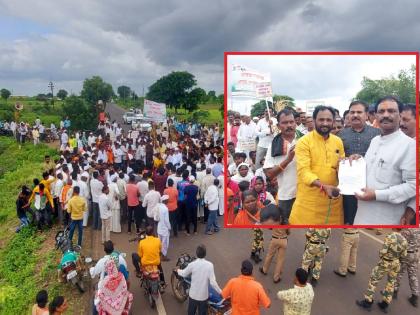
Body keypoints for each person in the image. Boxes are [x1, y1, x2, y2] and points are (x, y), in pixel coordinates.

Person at [353, 96, 416, 224]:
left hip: (387, 221)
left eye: (391, 111)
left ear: (400, 115)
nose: (386, 115)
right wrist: (357, 161)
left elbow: (413, 186)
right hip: (361, 217)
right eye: (381, 111)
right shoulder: (375, 141)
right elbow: (371, 171)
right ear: (376, 115)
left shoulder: (409, 145)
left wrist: (376, 195)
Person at [289, 105, 344, 225]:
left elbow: (342, 167)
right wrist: (323, 186)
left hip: (332, 203)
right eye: (321, 120)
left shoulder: (338, 141)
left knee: (332, 240)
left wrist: (352, 163)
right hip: (309, 204)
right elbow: (304, 172)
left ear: (333, 122)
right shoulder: (304, 142)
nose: (325, 123)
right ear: (314, 121)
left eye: (328, 120)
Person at [337, 100, 381, 224]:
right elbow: (337, 157)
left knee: (368, 217)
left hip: (371, 183)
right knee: (349, 217)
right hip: (349, 185)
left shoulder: (377, 134)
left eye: (359, 112)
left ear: (366, 115)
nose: (355, 115)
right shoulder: (340, 135)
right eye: (352, 112)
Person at [356, 229, 408, 313]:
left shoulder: (390, 236)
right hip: (396, 263)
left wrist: (383, 257)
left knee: (373, 280)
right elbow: (404, 255)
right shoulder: (404, 240)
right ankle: (385, 304)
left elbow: (383, 252)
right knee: (391, 283)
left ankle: (368, 302)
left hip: (386, 262)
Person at [263, 109, 298, 221]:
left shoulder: (304, 140)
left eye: (291, 122)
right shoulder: (273, 146)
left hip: (306, 193)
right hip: (286, 196)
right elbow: (269, 174)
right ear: (278, 125)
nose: (289, 125)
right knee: (285, 229)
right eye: (285, 123)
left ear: (295, 123)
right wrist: (288, 160)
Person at [177, 245, 222, 315]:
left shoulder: (192, 264)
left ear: (196, 254)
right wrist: (221, 292)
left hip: (193, 295)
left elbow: (184, 273)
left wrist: (178, 270)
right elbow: (213, 283)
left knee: (191, 313)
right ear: (205, 254)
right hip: (203, 297)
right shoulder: (210, 265)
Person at [394, 228, 420, 307]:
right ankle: (415, 296)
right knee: (413, 275)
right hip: (415, 254)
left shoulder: (409, 229)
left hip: (407, 254)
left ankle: (394, 291)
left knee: (399, 272)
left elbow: (401, 241)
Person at [157, 195, 171, 261]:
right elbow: (166, 221)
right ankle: (164, 256)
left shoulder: (158, 206)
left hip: (159, 227)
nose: (168, 200)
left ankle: (159, 254)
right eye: (168, 199)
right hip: (164, 228)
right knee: (165, 243)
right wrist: (169, 227)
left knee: (159, 242)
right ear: (165, 201)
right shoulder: (165, 208)